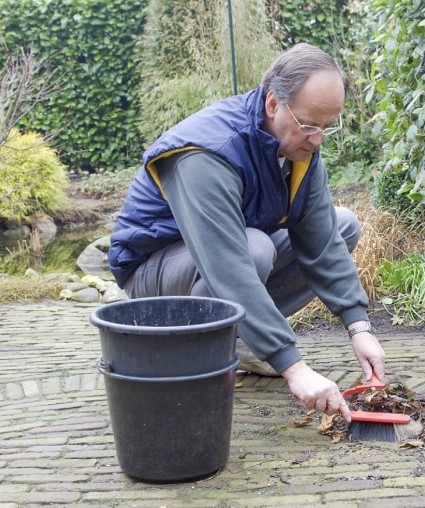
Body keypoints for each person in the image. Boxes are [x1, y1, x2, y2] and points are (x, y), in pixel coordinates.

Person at [108, 43, 385, 421]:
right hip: (154, 278)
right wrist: (294, 367)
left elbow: (321, 244)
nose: (317, 139)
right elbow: (228, 266)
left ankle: (244, 339)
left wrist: (359, 327)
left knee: (343, 223)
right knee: (254, 248)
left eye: (327, 126)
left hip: (223, 259)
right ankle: (201, 353)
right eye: (308, 125)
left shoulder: (300, 147)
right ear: (273, 104)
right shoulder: (208, 152)